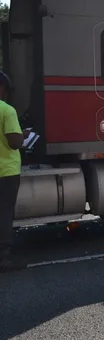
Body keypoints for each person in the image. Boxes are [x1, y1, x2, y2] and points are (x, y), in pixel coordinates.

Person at [0, 71, 26, 272]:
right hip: (5, 172)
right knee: (4, 213)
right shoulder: (6, 110)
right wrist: (23, 135)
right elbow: (14, 142)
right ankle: (3, 257)